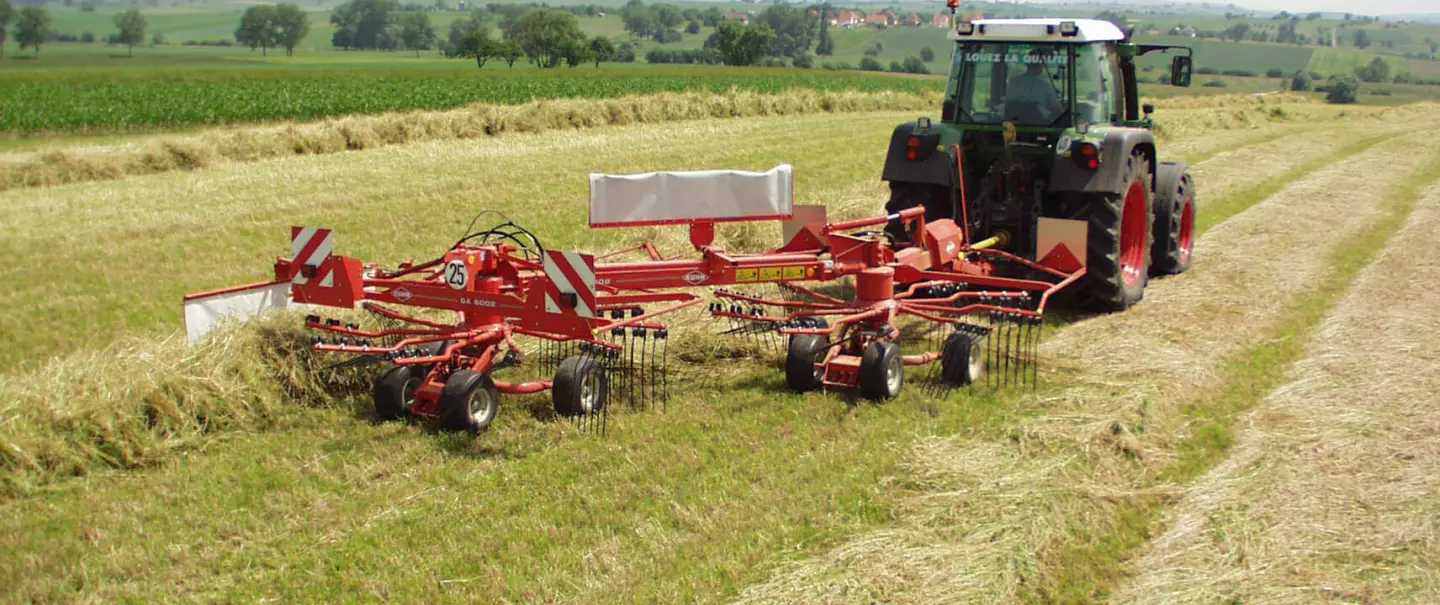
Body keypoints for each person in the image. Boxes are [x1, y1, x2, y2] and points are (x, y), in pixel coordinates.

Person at [1004, 50, 1064, 121]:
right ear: (1041, 65)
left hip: (1013, 124)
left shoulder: (1013, 81)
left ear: (1026, 63)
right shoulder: (1044, 84)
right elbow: (1055, 107)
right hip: (1038, 125)